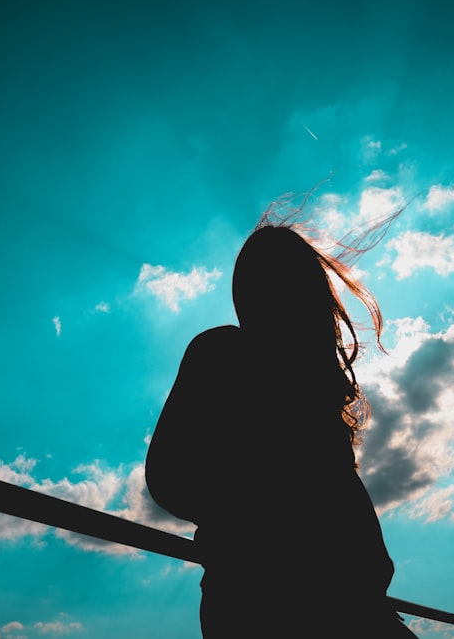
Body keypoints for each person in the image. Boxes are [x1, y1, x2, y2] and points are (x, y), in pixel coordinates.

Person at [145, 214, 416, 638]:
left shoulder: (313, 392)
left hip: (345, 603)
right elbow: (167, 477)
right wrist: (256, 527)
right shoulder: (222, 354)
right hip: (270, 599)